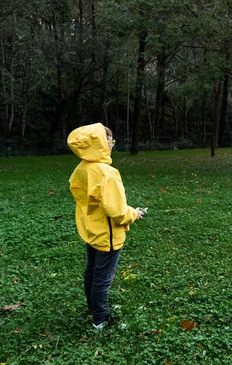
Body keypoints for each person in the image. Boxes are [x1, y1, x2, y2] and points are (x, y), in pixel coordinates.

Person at [67, 123, 144, 330]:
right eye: (109, 141)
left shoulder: (82, 167)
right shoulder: (106, 173)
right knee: (103, 277)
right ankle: (101, 319)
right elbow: (116, 211)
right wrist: (134, 214)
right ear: (100, 144)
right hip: (107, 233)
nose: (111, 146)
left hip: (92, 229)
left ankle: (94, 307)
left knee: (92, 271)